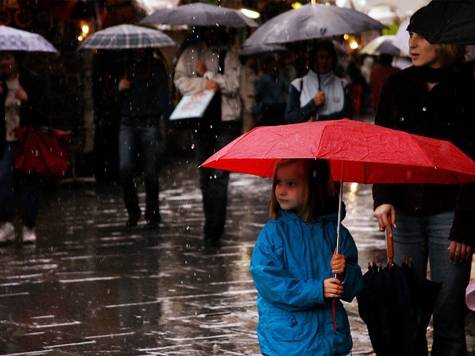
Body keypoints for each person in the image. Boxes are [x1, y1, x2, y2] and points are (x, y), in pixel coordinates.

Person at [373, 9, 475, 356]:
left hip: (450, 212)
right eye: (411, 34)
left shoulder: (467, 89)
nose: (411, 43)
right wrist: (382, 197)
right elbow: (382, 147)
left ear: (444, 42)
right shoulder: (397, 86)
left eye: (420, 36)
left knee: (448, 316)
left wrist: (464, 229)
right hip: (404, 211)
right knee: (407, 311)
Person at [250, 158, 363, 356]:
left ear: (314, 186)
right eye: (278, 182)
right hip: (289, 341)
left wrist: (344, 273)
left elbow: (354, 286)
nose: (281, 190)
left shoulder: (336, 233)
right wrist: (317, 290)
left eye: (291, 184)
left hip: (331, 339)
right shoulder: (273, 234)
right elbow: (270, 283)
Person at [174, 26, 242, 243]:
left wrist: (210, 75)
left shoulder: (229, 55)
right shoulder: (190, 54)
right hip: (201, 121)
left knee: (220, 177)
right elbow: (180, 81)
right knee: (205, 176)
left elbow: (233, 85)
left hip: (225, 122)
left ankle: (215, 228)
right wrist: (203, 83)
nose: (212, 33)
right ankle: (209, 221)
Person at [110, 49, 173, 229]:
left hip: (149, 122)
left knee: (151, 172)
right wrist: (119, 87)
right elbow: (111, 94)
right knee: (125, 168)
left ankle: (152, 213)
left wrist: (169, 122)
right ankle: (133, 211)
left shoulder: (156, 66)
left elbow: (164, 96)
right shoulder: (123, 66)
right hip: (127, 122)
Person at [0, 51, 48, 244]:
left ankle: (29, 226)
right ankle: (6, 224)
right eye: (1, 59)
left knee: (28, 183)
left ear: (17, 60)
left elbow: (42, 111)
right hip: (6, 140)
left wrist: (26, 98)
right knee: (3, 179)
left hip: (27, 139)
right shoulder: (1, 84)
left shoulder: (31, 80)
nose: (4, 63)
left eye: (8, 58)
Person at [285, 40, 353, 124]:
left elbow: (348, 115)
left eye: (328, 57)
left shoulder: (343, 85)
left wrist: (319, 119)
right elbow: (290, 118)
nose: (324, 61)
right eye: (321, 57)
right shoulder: (298, 85)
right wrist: (313, 104)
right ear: (313, 59)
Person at [253, 55, 289, 126]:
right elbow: (287, 89)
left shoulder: (264, 78)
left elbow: (258, 91)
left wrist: (257, 80)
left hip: (267, 108)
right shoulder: (281, 78)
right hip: (279, 106)